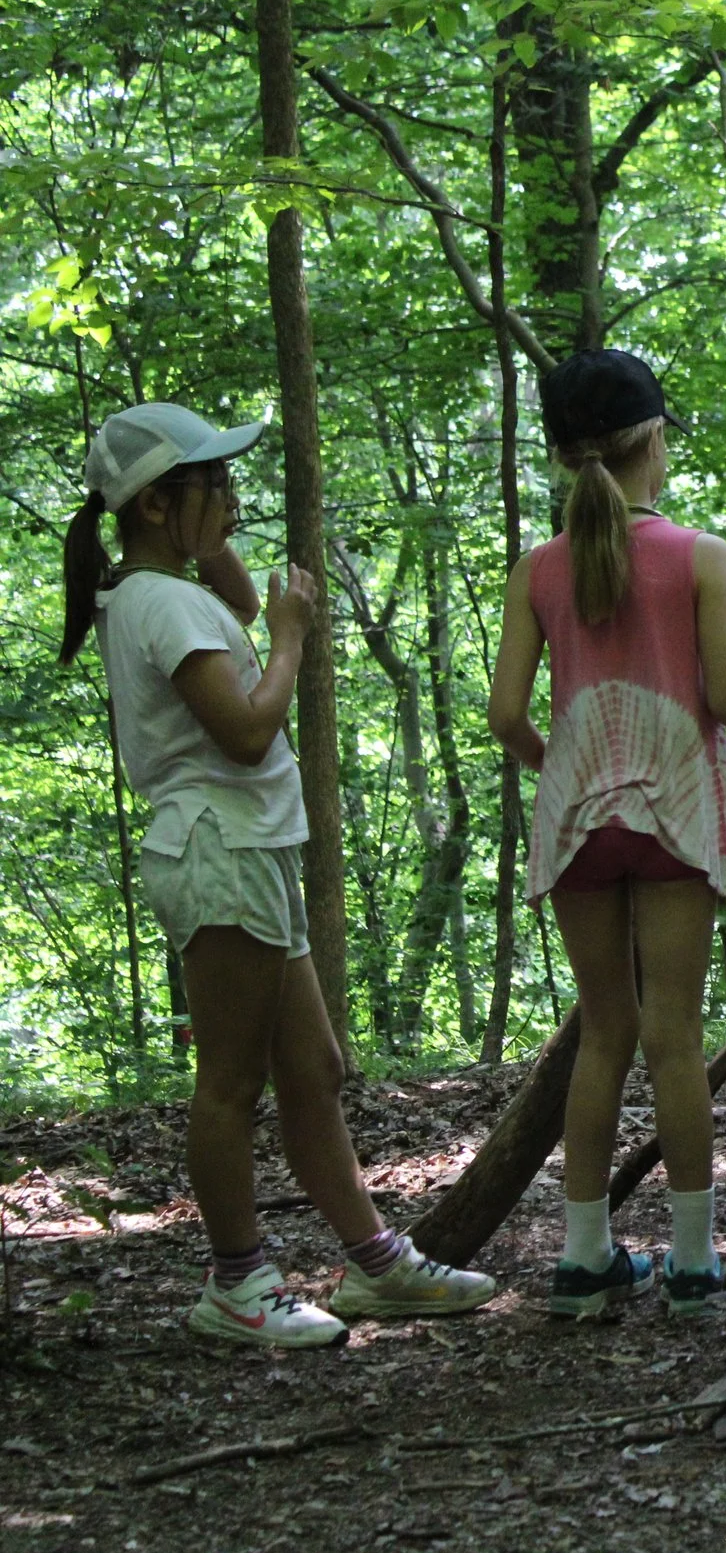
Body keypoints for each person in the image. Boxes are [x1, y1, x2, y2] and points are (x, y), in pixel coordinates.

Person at [59, 404, 498, 1348]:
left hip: (246, 850)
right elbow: (248, 727)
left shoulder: (168, 590)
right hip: (218, 849)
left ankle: (375, 1265)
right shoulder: (161, 602)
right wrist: (297, 634)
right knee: (229, 1082)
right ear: (149, 508)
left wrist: (210, 538)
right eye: (209, 484)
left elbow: (242, 610)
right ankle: (238, 1282)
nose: (231, 496)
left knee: (315, 1067)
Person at [488, 350, 726, 1319]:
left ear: (564, 457)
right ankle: (693, 1265)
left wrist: (563, 772)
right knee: (675, 1038)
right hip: (676, 812)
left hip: (580, 825)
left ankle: (583, 1257)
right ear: (654, 441)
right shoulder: (700, 555)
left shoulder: (538, 567)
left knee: (603, 1032)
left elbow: (506, 711)